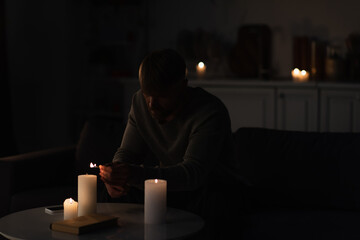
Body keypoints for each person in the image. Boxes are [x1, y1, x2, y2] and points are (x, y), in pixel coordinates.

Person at [99, 48, 244, 237]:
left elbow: (193, 174)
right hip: (172, 188)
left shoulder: (209, 112)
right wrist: (116, 176)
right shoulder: (140, 103)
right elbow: (127, 152)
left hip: (211, 188)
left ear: (183, 86)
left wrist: (133, 174)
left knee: (216, 201)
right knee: (109, 195)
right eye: (146, 94)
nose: (151, 104)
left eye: (161, 96)